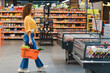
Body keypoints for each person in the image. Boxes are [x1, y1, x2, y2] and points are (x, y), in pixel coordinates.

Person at [18, 3, 48, 72]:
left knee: (33, 52)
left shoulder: (30, 17)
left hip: (30, 36)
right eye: (31, 8)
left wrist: (32, 36)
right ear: (28, 9)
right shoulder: (27, 18)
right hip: (28, 36)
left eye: (33, 8)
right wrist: (30, 39)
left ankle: (39, 66)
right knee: (29, 53)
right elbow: (28, 29)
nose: (33, 9)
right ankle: (22, 68)